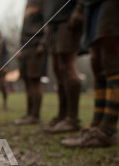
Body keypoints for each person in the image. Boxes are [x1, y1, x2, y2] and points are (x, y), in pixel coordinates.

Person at [62, 0, 119, 147]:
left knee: (112, 54)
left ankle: (108, 129)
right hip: (92, 3)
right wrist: (80, 6)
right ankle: (96, 125)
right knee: (96, 59)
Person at [44, 0, 83, 133]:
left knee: (67, 67)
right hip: (54, 23)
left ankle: (72, 119)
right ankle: (62, 115)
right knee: (58, 69)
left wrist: (79, 8)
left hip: (68, 19)